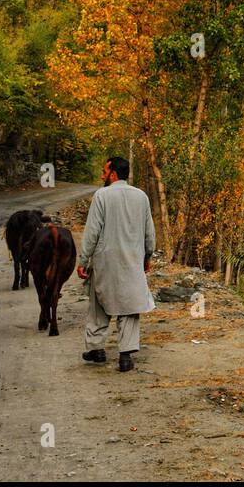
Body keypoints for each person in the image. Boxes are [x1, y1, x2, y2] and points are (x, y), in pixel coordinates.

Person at [78, 157, 156, 372]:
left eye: (104, 171)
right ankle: (125, 356)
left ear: (113, 173)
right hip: (132, 260)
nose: (102, 175)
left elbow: (92, 231)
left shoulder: (101, 195)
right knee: (129, 307)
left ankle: (97, 349)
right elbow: (149, 232)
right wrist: (147, 256)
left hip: (105, 261)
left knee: (98, 304)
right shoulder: (141, 197)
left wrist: (84, 260)